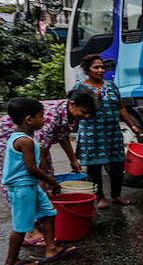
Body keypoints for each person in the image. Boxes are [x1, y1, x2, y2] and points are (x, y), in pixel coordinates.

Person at [0, 88, 98, 246]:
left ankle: (40, 218)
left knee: (43, 178)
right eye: (84, 112)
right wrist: (43, 186)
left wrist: (73, 160)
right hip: (5, 141)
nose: (86, 116)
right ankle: (29, 231)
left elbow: (63, 136)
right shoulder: (49, 119)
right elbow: (40, 159)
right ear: (72, 104)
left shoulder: (67, 113)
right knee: (22, 183)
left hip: (32, 143)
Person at [2, 98, 77, 265]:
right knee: (21, 227)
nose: (44, 120)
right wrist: (52, 181)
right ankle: (10, 262)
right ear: (29, 119)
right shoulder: (24, 141)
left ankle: (51, 249)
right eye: (41, 116)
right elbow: (31, 169)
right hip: (22, 189)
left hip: (31, 186)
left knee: (49, 213)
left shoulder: (26, 138)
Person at [74, 54, 141, 209]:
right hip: (92, 132)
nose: (101, 70)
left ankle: (116, 195)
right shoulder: (80, 88)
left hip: (112, 131)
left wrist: (133, 126)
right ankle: (100, 198)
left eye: (102, 67)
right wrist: (93, 98)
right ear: (87, 70)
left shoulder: (111, 86)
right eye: (96, 67)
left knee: (117, 163)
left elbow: (121, 107)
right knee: (95, 166)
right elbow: (77, 111)